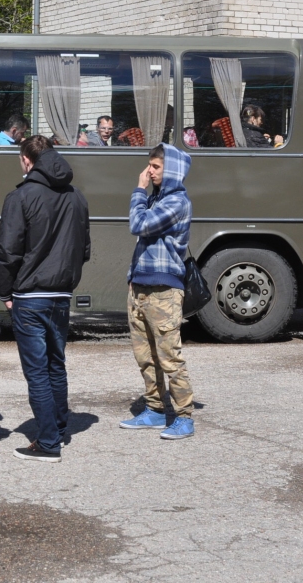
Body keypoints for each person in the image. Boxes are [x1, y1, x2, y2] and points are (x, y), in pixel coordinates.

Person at [0, 135, 90, 462]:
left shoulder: (20, 197)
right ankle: (59, 427)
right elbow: (85, 249)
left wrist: (5, 292)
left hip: (30, 295)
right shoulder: (76, 196)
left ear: (26, 160)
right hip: (61, 294)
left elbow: (8, 252)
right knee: (55, 364)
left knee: (37, 371)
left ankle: (49, 442)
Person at [119, 143, 196, 440]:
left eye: (155, 167)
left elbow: (139, 225)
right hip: (140, 287)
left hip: (164, 290)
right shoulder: (157, 198)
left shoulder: (176, 202)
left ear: (172, 170)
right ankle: (154, 409)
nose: (148, 172)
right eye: (149, 166)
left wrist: (137, 192)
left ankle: (184, 416)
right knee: (145, 355)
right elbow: (144, 246)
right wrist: (132, 277)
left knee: (168, 356)